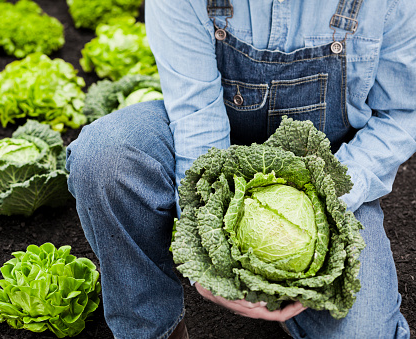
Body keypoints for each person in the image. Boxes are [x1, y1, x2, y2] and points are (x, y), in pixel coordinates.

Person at [65, 0, 415, 338]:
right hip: (216, 147)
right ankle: (157, 330)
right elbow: (197, 118)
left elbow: (402, 114)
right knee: (106, 156)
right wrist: (206, 251)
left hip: (329, 170)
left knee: (365, 333)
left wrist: (326, 191)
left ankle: (290, 307)